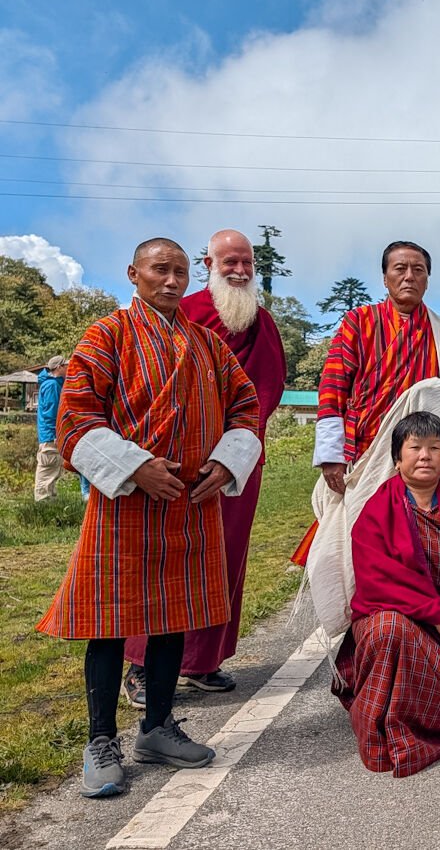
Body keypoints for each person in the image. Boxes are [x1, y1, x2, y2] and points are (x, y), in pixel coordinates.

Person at [36, 238, 261, 798]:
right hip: (126, 504)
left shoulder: (208, 344)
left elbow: (246, 407)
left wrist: (224, 461)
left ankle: (158, 727)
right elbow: (76, 418)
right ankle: (101, 740)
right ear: (133, 273)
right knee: (110, 622)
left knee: (173, 616)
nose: (172, 281)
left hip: (189, 501)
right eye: (161, 269)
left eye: (181, 272)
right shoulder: (105, 336)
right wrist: (136, 469)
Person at [123, 229, 286, 705]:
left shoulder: (264, 324)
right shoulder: (184, 312)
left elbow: (265, 393)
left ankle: (201, 661)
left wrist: (233, 452)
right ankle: (140, 666)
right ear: (208, 263)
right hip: (176, 457)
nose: (239, 270)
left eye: (246, 263)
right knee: (164, 561)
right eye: (229, 261)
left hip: (235, 459)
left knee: (225, 557)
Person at [295, 240, 440, 563]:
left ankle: (417, 603)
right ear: (385, 278)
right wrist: (331, 455)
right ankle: (362, 608)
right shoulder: (359, 323)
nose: (409, 276)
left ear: (427, 279)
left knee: (420, 541)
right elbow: (333, 387)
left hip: (421, 455)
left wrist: (428, 394)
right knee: (359, 535)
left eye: (418, 270)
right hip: (364, 454)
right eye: (400, 269)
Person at [332, 412, 440, 776]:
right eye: (414, 448)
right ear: (397, 458)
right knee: (389, 628)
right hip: (396, 617)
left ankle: (421, 723)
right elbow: (378, 581)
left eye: (434, 448)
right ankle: (383, 728)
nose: (425, 456)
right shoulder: (375, 512)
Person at [34, 354, 69, 502]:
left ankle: (49, 503)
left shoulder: (52, 384)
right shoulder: (53, 385)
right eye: (66, 366)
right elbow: (52, 413)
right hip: (51, 435)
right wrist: (56, 433)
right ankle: (43, 503)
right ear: (59, 368)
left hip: (49, 434)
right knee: (48, 469)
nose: (68, 368)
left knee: (52, 469)